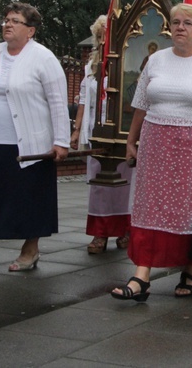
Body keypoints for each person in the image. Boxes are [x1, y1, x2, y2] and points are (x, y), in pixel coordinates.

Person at [111, 3, 192, 302]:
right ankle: (142, 276)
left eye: (188, 23)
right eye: (175, 22)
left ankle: (189, 269)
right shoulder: (156, 60)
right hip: (155, 142)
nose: (180, 27)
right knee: (150, 206)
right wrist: (131, 139)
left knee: (191, 209)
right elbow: (141, 103)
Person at [0, 2, 70, 275]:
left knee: (29, 199)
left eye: (15, 21)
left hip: (32, 145)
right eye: (6, 20)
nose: (7, 24)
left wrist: (62, 141)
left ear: (30, 30)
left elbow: (58, 102)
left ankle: (30, 250)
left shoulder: (43, 58)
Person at [70, 15, 132, 254]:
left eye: (108, 34)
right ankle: (100, 233)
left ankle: (125, 229)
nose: (104, 39)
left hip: (122, 131)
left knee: (126, 183)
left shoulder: (128, 62)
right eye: (100, 36)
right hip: (97, 132)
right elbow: (84, 100)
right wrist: (76, 131)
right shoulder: (91, 66)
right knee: (99, 184)